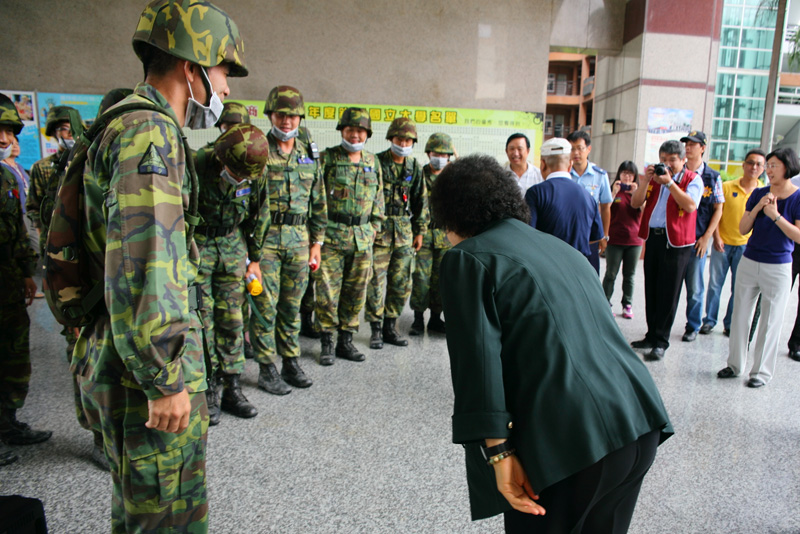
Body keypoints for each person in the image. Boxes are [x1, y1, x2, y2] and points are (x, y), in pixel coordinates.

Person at [73, 1, 248, 530]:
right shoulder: (149, 134)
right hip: (144, 374)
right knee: (165, 518)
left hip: (127, 358)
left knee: (145, 513)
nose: (227, 89)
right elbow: (147, 265)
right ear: (191, 67)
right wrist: (165, 378)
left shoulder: (131, 125)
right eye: (222, 72)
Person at [432, 154, 672, 533]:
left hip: (572, 447)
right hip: (638, 424)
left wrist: (499, 452)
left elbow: (477, 363)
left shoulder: (468, 258)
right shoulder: (561, 249)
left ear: (451, 215)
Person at [250, 86, 326, 396]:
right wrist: (249, 254)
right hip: (265, 242)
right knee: (263, 306)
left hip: (299, 242)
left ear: (300, 118)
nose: (286, 122)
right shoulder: (257, 150)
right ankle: (267, 367)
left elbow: (318, 202)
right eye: (281, 115)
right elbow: (247, 203)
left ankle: (290, 361)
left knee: (291, 307)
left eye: (292, 116)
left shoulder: (308, 153)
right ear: (270, 115)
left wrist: (317, 244)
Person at [194, 123, 269, 422]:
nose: (239, 179)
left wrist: (255, 259)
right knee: (202, 320)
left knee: (232, 319)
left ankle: (232, 387)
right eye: (234, 172)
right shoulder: (196, 164)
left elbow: (259, 213)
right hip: (197, 250)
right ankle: (207, 387)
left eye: (244, 176)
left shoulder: (255, 170)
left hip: (232, 247)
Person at [717, 147, 800, 388]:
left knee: (771, 320)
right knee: (740, 314)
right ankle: (734, 365)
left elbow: (798, 236)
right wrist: (757, 208)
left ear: (788, 167)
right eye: (769, 165)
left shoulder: (797, 198)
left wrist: (775, 215)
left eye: (774, 165)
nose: (769, 170)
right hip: (750, 261)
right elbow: (743, 229)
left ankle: (760, 373)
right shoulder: (759, 193)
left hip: (779, 266)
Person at [0, 93, 52, 467]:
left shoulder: (7, 176)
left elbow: (17, 228)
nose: (4, 139)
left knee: (13, 355)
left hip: (7, 282)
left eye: (8, 131)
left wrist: (24, 272)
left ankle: (7, 423)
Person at [315, 108, 384, 365]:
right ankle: (327, 342)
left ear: (367, 133)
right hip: (332, 236)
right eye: (350, 130)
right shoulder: (328, 158)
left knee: (356, 292)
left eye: (360, 130)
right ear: (341, 131)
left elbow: (379, 197)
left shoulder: (372, 161)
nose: (355, 135)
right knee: (327, 292)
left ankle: (346, 340)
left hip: (363, 238)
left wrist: (375, 225)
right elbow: (316, 196)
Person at [630, 140, 703, 361]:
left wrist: (670, 183)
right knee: (651, 288)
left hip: (678, 243)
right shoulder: (654, 180)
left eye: (672, 160)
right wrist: (645, 181)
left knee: (668, 293)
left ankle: (661, 341)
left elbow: (690, 205)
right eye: (664, 160)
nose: (667, 164)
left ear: (683, 160)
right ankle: (651, 335)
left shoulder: (693, 179)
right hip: (654, 239)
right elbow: (635, 203)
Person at [366, 117, 427, 349]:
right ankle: (374, 328)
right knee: (375, 282)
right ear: (391, 138)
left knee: (400, 282)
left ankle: (390, 326)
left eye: (408, 139)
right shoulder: (376, 162)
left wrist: (420, 231)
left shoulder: (414, 167)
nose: (403, 143)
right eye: (400, 138)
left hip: (404, 232)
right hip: (379, 231)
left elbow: (421, 202)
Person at [701, 149, 765, 337]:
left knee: (739, 287)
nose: (754, 167)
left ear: (762, 169)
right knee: (714, 285)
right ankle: (709, 321)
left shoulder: (762, 192)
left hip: (746, 247)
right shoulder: (727, 187)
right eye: (750, 163)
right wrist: (716, 237)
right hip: (722, 243)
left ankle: (730, 324)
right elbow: (717, 214)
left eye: (758, 164)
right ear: (743, 165)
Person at [524, 137, 603, 260]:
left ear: (543, 164)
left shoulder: (535, 193)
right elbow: (595, 236)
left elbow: (528, 234)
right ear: (570, 164)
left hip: (548, 267)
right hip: (579, 269)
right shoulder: (588, 196)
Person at [679, 131, 724, 342]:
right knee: (670, 286)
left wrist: (707, 237)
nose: (688, 147)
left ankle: (693, 325)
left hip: (697, 240)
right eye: (686, 144)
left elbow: (718, 209)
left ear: (703, 148)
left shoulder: (712, 177)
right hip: (677, 238)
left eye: (693, 144)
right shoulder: (677, 172)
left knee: (695, 286)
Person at [409, 133, 454, 336]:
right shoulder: (419, 174)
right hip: (424, 234)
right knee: (421, 278)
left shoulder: (454, 178)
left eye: (444, 154)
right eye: (436, 153)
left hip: (446, 235)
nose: (440, 157)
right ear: (428, 153)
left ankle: (436, 318)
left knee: (441, 279)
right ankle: (418, 319)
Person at [603, 161, 644, 319]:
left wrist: (636, 194)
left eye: (630, 174)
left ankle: (627, 303)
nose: (627, 176)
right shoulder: (613, 190)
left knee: (630, 275)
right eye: (624, 173)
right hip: (615, 239)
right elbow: (605, 208)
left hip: (634, 241)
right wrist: (613, 192)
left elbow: (644, 210)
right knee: (611, 273)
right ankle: (605, 301)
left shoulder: (639, 192)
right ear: (619, 174)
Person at [567, 130, 612, 274]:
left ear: (588, 149)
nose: (576, 153)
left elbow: (605, 207)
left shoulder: (599, 175)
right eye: (572, 149)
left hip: (590, 235)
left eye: (580, 148)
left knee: (590, 275)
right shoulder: (564, 173)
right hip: (567, 233)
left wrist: (604, 236)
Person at [1, 134, 37, 256]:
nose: (15, 147)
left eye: (17, 144)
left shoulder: (20, 167)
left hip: (29, 210)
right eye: (13, 144)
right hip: (17, 212)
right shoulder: (3, 168)